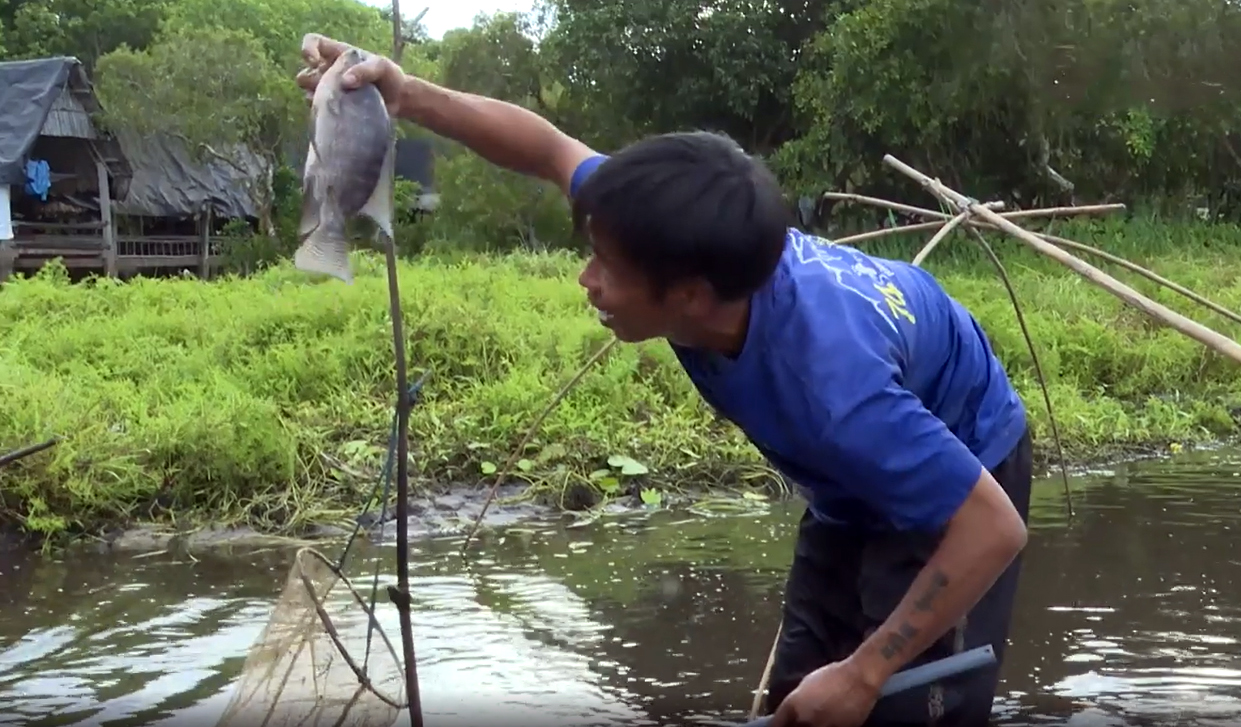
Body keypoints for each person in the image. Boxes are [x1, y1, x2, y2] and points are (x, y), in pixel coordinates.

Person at [296, 35, 1033, 727]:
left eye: (608, 269)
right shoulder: (667, 230)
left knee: (898, 697)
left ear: (691, 294)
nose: (587, 281)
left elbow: (993, 528)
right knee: (800, 691)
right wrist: (407, 93)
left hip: (962, 466)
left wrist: (869, 670)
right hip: (850, 476)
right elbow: (550, 148)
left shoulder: (836, 394)